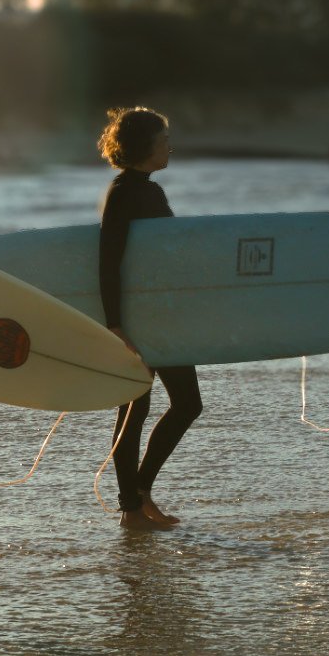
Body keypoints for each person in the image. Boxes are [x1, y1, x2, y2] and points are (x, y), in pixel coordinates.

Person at [97, 107, 203, 530]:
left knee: (186, 404)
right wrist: (116, 324)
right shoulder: (126, 192)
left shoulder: (144, 190)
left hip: (160, 317)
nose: (169, 147)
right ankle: (131, 508)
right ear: (144, 146)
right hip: (139, 321)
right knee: (133, 413)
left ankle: (139, 497)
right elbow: (109, 259)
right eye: (163, 140)